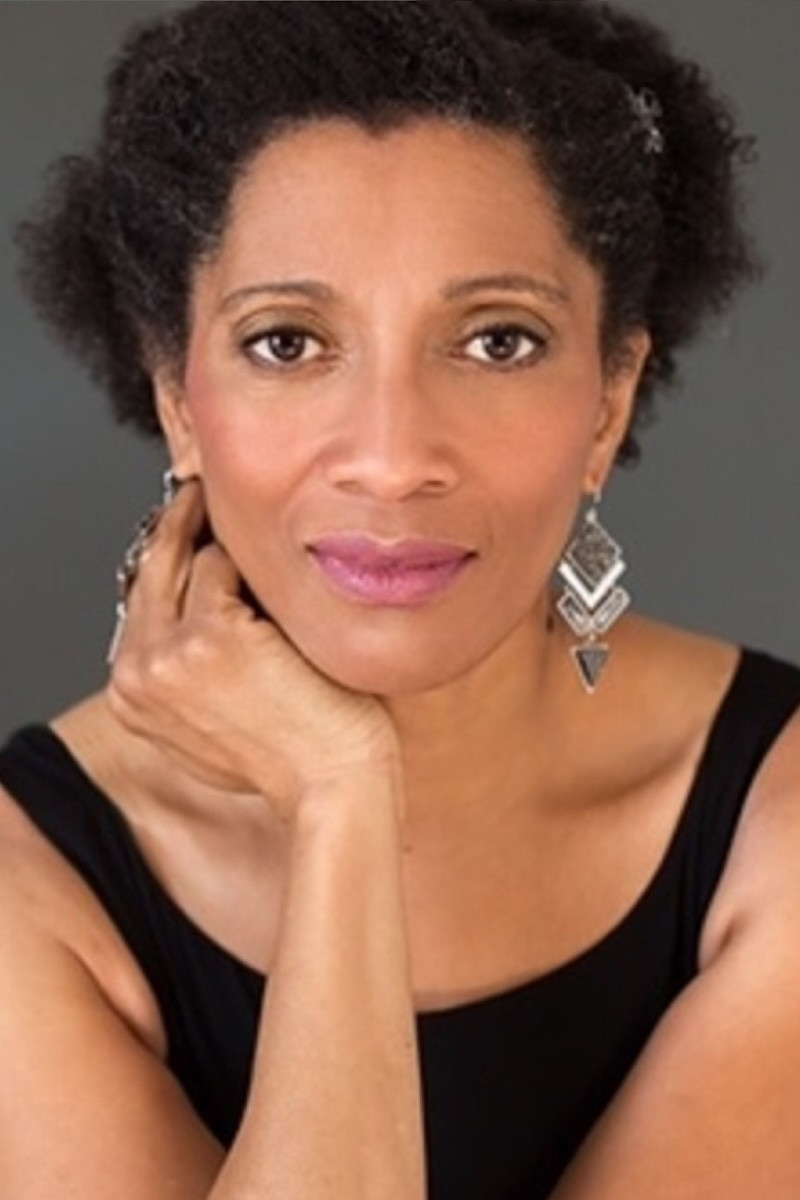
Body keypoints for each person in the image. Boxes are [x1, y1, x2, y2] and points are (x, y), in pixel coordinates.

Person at [1, 1, 798, 1197]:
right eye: (286, 343)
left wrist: (339, 800)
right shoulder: (25, 885)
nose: (390, 456)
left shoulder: (777, 819)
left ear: (609, 399)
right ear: (176, 397)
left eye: (496, 342)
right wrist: (343, 797)